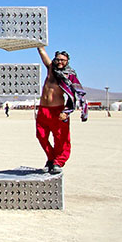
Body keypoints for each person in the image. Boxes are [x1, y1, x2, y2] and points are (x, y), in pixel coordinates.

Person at [35, 47, 87, 175]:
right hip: (43, 110)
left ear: (67, 61)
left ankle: (58, 162)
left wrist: (67, 111)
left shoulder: (70, 76)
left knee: (61, 139)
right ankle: (51, 158)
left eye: (63, 60)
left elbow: (75, 94)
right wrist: (39, 44)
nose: (60, 62)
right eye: (58, 59)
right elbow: (42, 52)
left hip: (58, 111)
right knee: (41, 136)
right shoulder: (51, 70)